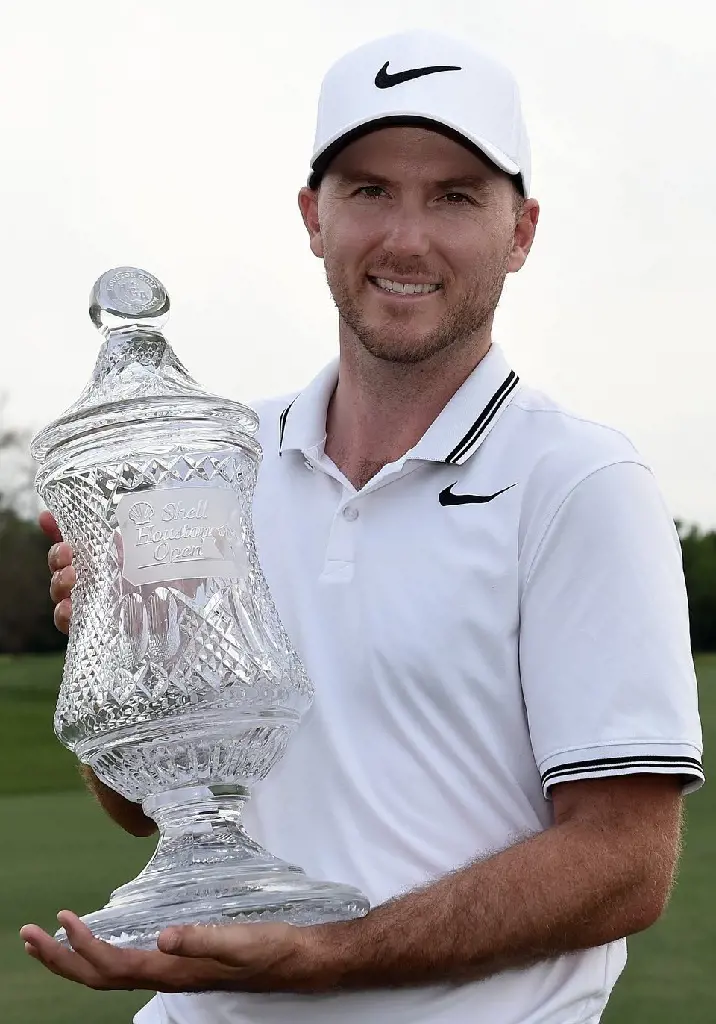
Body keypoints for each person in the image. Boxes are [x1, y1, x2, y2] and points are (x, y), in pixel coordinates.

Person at [21, 28, 704, 1024]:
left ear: (521, 231)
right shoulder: (217, 458)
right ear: (313, 215)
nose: (404, 238)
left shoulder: (577, 479)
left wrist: (321, 956)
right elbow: (145, 812)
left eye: (455, 195)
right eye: (369, 190)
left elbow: (623, 866)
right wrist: (125, 649)